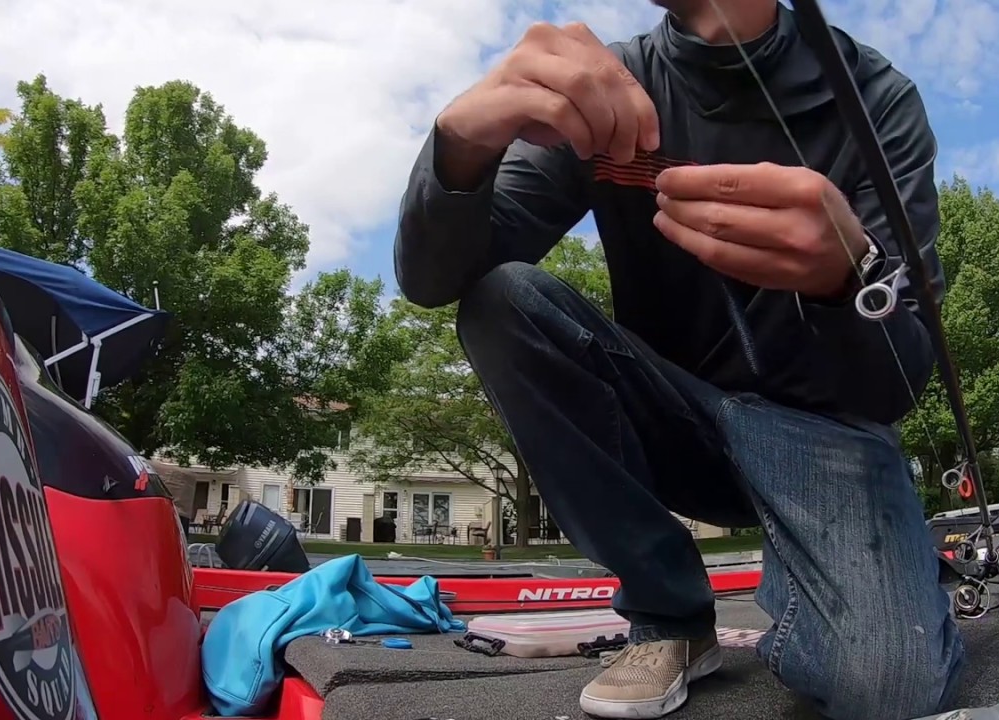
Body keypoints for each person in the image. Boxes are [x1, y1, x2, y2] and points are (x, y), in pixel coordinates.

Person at [394, 1, 964, 718]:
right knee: (503, 299)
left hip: (829, 435)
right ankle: (669, 617)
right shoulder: (608, 86)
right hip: (676, 420)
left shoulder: (876, 98)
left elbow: (900, 381)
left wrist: (848, 280)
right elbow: (438, 281)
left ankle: (877, 576)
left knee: (885, 685)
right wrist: (459, 145)